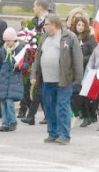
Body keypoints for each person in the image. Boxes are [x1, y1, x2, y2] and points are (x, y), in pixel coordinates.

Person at [31, 14, 83, 144]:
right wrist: (33, 75)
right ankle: (52, 133)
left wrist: (78, 79)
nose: (44, 27)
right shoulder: (44, 38)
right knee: (49, 108)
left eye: (46, 24)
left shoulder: (69, 37)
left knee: (62, 107)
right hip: (46, 80)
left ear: (54, 25)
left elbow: (77, 59)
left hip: (63, 80)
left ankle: (64, 135)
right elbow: (37, 58)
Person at [0, 28, 24, 132]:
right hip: (3, 78)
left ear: (14, 40)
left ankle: (12, 121)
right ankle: (5, 123)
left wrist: (19, 65)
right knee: (3, 101)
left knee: (9, 101)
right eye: (5, 41)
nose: (7, 43)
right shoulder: (2, 50)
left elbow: (25, 64)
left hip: (14, 78)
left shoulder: (19, 49)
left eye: (9, 41)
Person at [71, 16, 99, 127]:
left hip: (86, 69)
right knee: (76, 94)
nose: (80, 27)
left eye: (83, 25)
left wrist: (81, 58)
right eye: (78, 25)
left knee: (85, 95)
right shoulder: (72, 37)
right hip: (75, 70)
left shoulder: (90, 38)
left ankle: (88, 116)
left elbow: (94, 53)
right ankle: (79, 113)